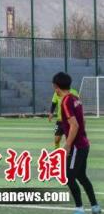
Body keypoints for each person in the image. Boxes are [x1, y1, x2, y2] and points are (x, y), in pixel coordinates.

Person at [52, 72, 101, 214]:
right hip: (83, 144)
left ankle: (79, 208)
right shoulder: (75, 98)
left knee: (69, 177)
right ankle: (95, 207)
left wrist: (67, 144)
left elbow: (75, 125)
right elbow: (83, 121)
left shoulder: (66, 101)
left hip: (76, 146)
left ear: (56, 87)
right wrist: (82, 137)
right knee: (81, 176)